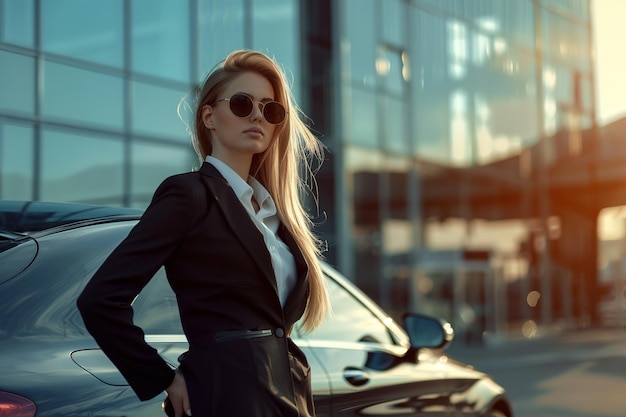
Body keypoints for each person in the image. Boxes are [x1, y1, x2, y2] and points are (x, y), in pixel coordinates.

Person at [77, 49, 330, 417]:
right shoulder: (188, 195)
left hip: (289, 396)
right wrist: (162, 377)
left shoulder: (276, 216)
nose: (258, 114)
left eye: (270, 109)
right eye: (243, 103)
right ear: (209, 116)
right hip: (224, 397)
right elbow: (100, 300)